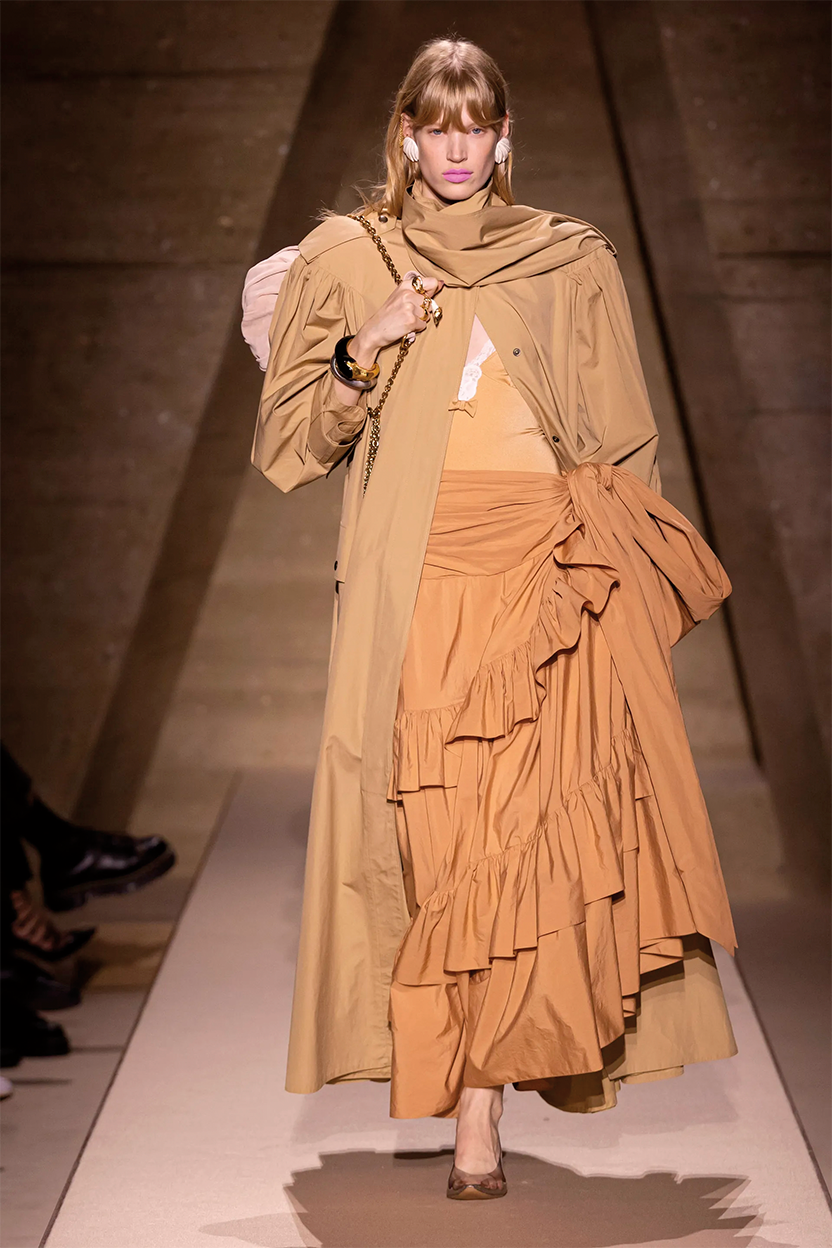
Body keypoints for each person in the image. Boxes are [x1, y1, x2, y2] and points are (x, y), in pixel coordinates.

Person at [249, 37, 738, 1201]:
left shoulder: (569, 256)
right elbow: (287, 446)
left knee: (525, 846)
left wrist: (625, 596)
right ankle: (463, 1077)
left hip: (548, 582)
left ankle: (480, 1111)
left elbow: (622, 443)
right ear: (406, 137)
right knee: (445, 850)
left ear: (504, 136)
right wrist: (364, 346)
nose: (458, 146)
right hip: (417, 585)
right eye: (438, 124)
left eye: (477, 124)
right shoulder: (346, 257)